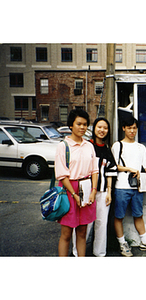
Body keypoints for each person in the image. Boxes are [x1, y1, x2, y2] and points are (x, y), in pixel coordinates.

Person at [111, 116, 146, 257]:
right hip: (121, 186)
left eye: (134, 128)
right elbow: (114, 166)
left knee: (138, 215)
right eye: (129, 128)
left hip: (137, 187)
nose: (132, 131)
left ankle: (144, 241)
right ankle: (122, 243)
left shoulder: (141, 147)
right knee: (119, 216)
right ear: (123, 128)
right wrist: (130, 169)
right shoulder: (117, 145)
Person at [55, 109, 98, 257]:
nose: (82, 127)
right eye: (79, 124)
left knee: (82, 231)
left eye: (85, 124)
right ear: (71, 125)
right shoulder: (63, 146)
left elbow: (94, 171)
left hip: (86, 189)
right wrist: (74, 194)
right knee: (66, 233)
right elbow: (61, 174)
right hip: (68, 190)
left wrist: (93, 191)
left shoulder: (89, 146)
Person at [72, 117, 118, 257]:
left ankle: (100, 254)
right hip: (86, 191)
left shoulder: (107, 150)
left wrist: (109, 192)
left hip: (103, 192)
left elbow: (110, 172)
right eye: (99, 127)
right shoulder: (86, 146)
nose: (102, 130)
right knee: (84, 224)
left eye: (105, 128)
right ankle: (77, 253)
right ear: (94, 129)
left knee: (101, 223)